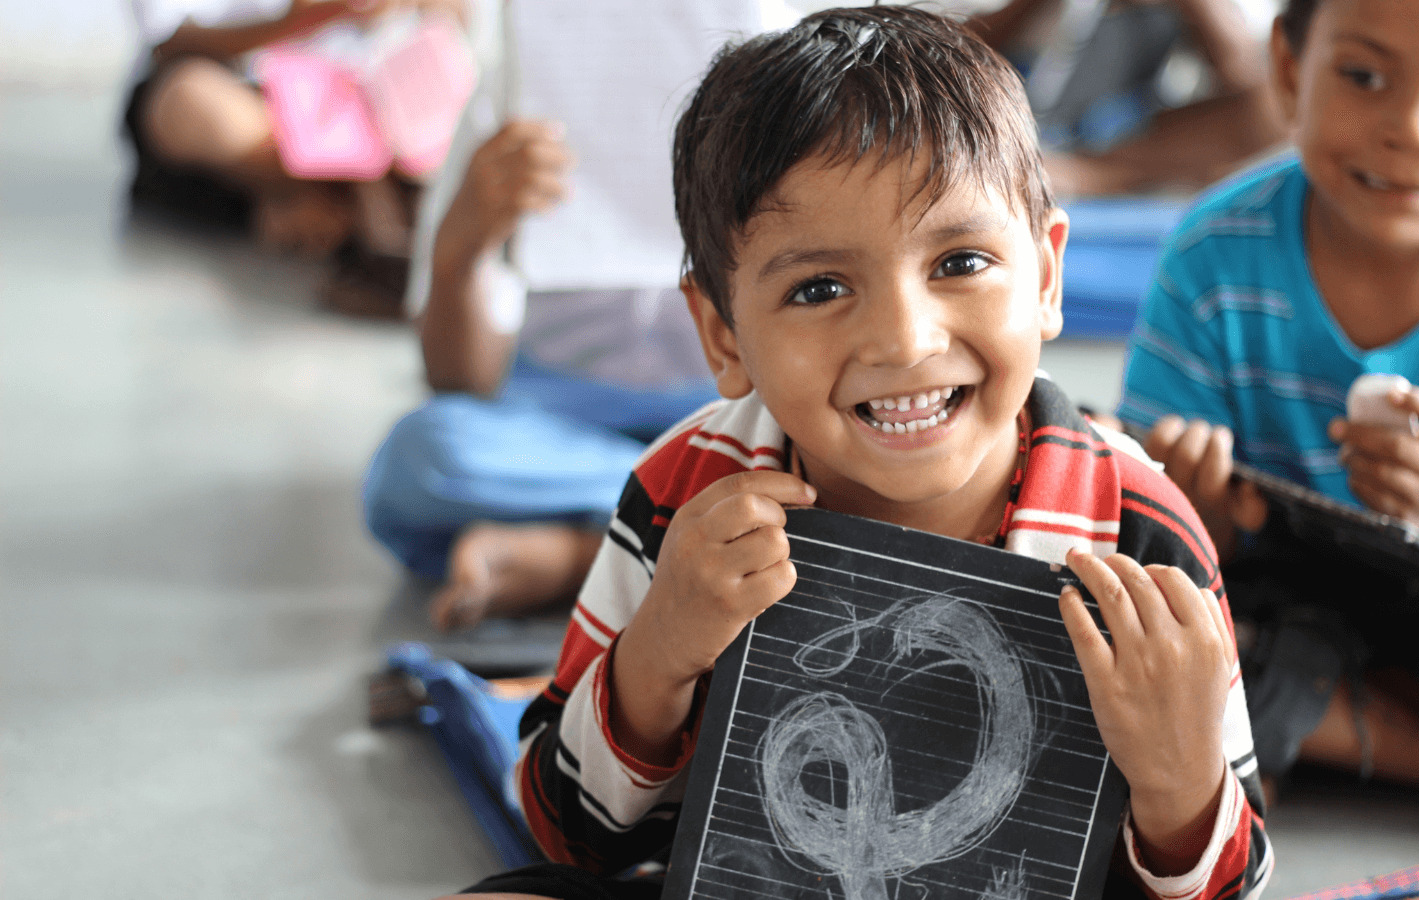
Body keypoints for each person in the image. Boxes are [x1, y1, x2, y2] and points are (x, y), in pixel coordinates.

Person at [436, 8, 1273, 898]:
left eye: (960, 263)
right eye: (821, 287)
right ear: (722, 335)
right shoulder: (690, 492)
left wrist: (1181, 787)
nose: (904, 341)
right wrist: (660, 653)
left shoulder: (1140, 534)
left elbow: (1237, 882)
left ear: (1047, 276)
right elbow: (565, 831)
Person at [1118, 0, 1419, 793]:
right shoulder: (1212, 258)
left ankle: (1345, 725)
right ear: (1291, 72)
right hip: (1278, 608)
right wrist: (1201, 521)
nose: (1416, 129)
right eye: (1364, 76)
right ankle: (1402, 741)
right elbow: (1142, 528)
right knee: (1143, 639)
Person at [361, 1, 754, 630]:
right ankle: (684, 525)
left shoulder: (781, 78)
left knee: (834, 456)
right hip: (555, 415)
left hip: (732, 409)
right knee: (424, 456)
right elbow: (458, 378)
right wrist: (463, 250)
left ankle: (579, 553)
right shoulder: (509, 103)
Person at [125, 0, 456, 269]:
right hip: (259, 102)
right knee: (192, 102)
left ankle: (336, 208)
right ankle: (352, 204)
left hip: (373, 104)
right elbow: (169, 43)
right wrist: (308, 19)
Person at [968, 0, 1286, 196]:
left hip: (1120, 141)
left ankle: (1087, 176)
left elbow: (1248, 80)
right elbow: (957, 52)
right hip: (1016, 122)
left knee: (1273, 109)